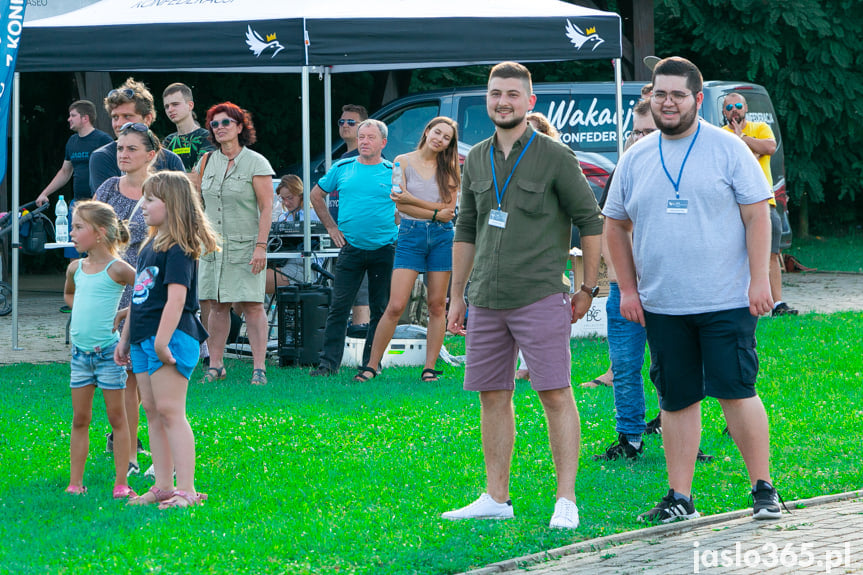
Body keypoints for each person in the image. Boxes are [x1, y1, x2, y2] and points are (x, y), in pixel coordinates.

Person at [604, 56, 783, 523]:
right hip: (663, 304)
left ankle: (763, 489)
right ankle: (680, 497)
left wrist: (759, 280)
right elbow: (614, 225)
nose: (667, 102)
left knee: (736, 390)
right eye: (659, 94)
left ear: (697, 99)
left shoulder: (728, 148)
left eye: (677, 95)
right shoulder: (636, 157)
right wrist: (628, 289)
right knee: (675, 399)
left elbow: (756, 214)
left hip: (725, 299)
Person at [442, 62, 602, 529]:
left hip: (539, 295)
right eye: (495, 94)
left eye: (513, 94)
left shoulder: (555, 155)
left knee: (554, 393)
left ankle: (566, 500)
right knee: (492, 395)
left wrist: (588, 287)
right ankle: (496, 497)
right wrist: (457, 297)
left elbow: (590, 220)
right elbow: (466, 229)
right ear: (486, 99)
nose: (503, 101)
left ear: (530, 102)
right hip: (486, 298)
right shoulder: (474, 157)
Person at [118, 171, 219, 508]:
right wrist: (125, 339)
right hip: (144, 337)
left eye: (150, 199)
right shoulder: (150, 244)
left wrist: (162, 342)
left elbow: (177, 299)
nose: (141, 205)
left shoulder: (179, 248)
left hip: (172, 338)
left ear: (172, 203)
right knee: (152, 411)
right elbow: (139, 295)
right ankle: (162, 485)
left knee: (171, 412)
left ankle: (187, 490)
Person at [356, 117, 460, 383]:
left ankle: (429, 368)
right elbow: (400, 206)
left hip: (441, 237)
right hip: (411, 234)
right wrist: (434, 210)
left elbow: (449, 214)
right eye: (437, 132)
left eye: (446, 137)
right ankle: (371, 365)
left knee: (437, 305)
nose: (440, 139)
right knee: (396, 305)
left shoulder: (450, 167)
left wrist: (415, 201)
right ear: (427, 131)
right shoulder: (403, 160)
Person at [94, 122, 161, 476]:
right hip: (110, 287)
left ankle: (132, 450)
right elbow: (91, 230)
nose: (123, 154)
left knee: (139, 374)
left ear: (151, 155)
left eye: (131, 149)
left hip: (146, 288)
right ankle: (123, 439)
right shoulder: (107, 188)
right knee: (115, 371)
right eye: (120, 149)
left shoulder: (161, 189)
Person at [309, 119, 397, 377]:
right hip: (350, 247)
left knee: (380, 308)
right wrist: (331, 228)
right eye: (361, 137)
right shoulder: (342, 167)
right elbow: (316, 195)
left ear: (383, 143)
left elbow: (405, 203)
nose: (364, 142)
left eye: (370, 137)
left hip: (385, 247)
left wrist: (399, 220)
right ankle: (327, 364)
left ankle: (371, 363)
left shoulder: (393, 170)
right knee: (339, 306)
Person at [63, 200, 137, 499]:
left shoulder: (118, 268)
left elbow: (148, 294)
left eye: (79, 227)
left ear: (100, 232)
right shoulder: (75, 267)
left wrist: (125, 314)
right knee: (80, 419)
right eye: (73, 226)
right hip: (80, 356)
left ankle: (121, 483)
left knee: (117, 419)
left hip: (109, 355)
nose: (72, 232)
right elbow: (70, 294)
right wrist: (78, 307)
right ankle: (75, 482)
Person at [198, 102, 275, 386]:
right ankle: (216, 365)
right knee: (217, 305)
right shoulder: (206, 161)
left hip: (246, 245)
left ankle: (259, 368)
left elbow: (267, 208)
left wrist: (261, 246)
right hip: (212, 247)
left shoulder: (257, 162)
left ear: (240, 127)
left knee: (253, 304)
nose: (219, 128)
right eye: (214, 124)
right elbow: (198, 202)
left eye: (226, 123)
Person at [722, 92, 797, 317]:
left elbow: (769, 148)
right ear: (724, 113)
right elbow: (737, 163)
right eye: (729, 107)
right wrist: (751, 150)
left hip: (766, 202)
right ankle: (737, 302)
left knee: (772, 254)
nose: (734, 110)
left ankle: (777, 304)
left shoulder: (760, 127)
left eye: (737, 105)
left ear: (745, 108)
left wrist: (742, 138)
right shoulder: (721, 135)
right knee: (734, 254)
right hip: (733, 205)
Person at [89, 77, 184, 195]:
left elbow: (182, 206)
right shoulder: (102, 157)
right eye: (115, 117)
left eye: (127, 116)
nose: (119, 124)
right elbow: (106, 209)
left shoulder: (170, 160)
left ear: (147, 119)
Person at [331, 104, 372, 327]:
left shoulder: (368, 156)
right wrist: (330, 226)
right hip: (342, 236)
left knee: (361, 292)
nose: (345, 125)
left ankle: (360, 336)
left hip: (362, 236)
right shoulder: (342, 159)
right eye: (341, 121)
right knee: (347, 291)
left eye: (351, 122)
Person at [36, 100, 113, 207]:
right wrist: (45, 193)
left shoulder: (103, 140)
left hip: (99, 204)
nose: (69, 119)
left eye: (73, 115)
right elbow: (65, 172)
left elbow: (117, 171)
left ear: (85, 118)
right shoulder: (72, 141)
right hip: (77, 203)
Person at [266, 174, 321, 294]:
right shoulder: (284, 218)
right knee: (246, 279)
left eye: (290, 198)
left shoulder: (312, 215)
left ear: (301, 195)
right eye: (282, 198)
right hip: (285, 264)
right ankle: (235, 313)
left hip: (305, 267)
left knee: (252, 282)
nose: (286, 203)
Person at [161, 82, 216, 173]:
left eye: (175, 104)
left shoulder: (206, 137)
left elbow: (199, 175)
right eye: (167, 106)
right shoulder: (168, 141)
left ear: (190, 105)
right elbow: (159, 176)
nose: (170, 110)